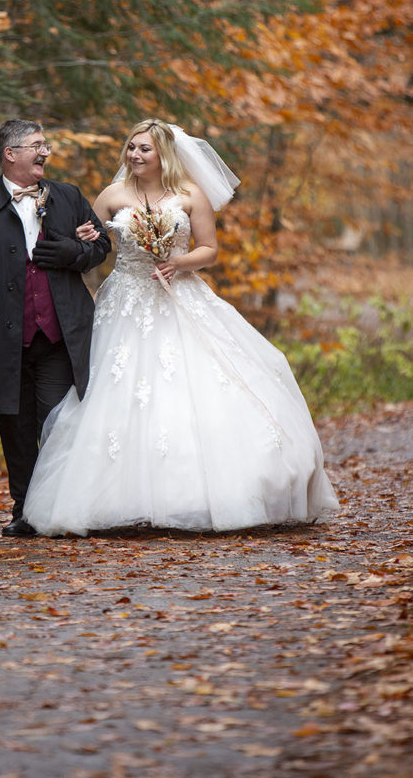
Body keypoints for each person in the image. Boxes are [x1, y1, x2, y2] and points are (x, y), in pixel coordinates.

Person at [23, 119, 339, 536]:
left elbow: (209, 248)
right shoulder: (112, 195)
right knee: (115, 390)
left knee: (196, 387)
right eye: (131, 147)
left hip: (179, 294)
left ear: (164, 156)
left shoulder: (191, 195)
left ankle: (201, 495)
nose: (135, 155)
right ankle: (116, 497)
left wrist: (179, 263)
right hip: (126, 299)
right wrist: (85, 236)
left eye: (145, 150)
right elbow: (91, 244)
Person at [0, 119, 111, 536]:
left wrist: (72, 251)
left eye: (46, 145)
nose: (46, 152)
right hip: (3, 334)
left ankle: (58, 506)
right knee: (15, 427)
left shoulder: (69, 196)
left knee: (55, 421)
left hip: (58, 334)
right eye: (37, 145)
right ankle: (24, 510)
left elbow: (100, 248)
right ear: (10, 154)